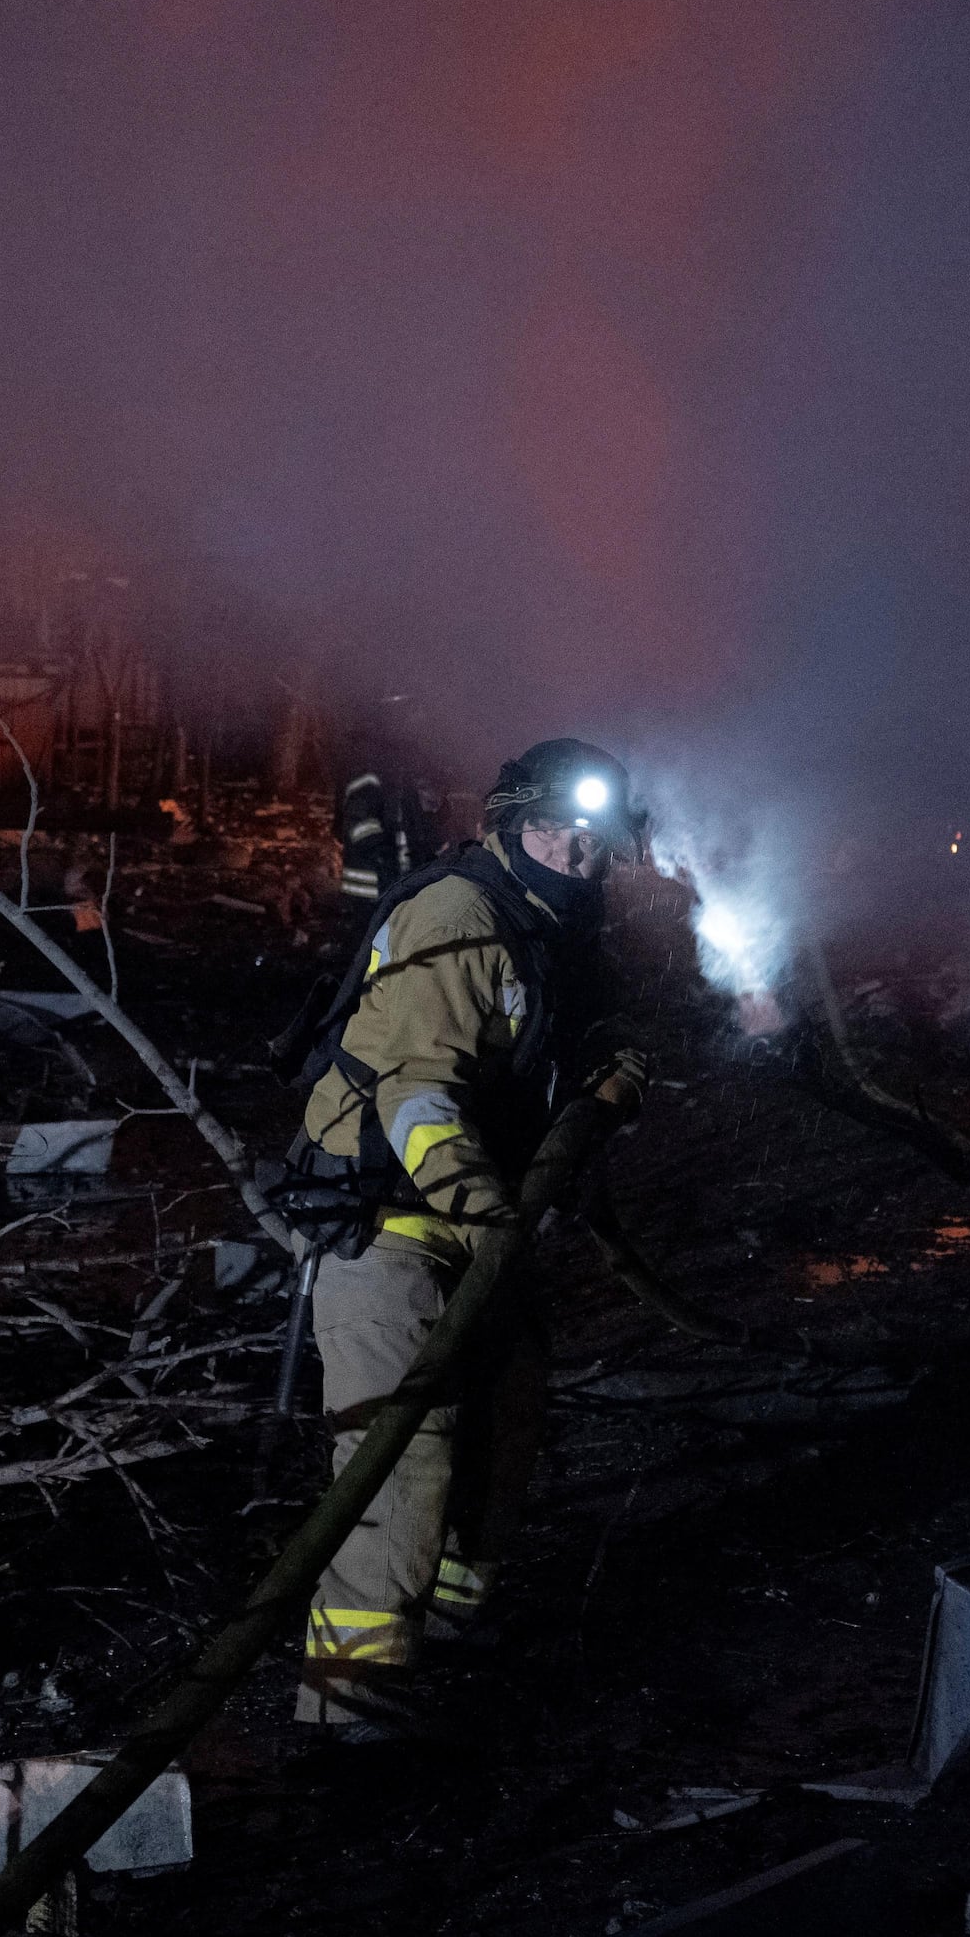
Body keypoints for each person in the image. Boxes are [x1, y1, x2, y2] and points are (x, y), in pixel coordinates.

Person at [289, 735, 629, 1732]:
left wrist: (620, 1064)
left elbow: (597, 1024)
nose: (580, 855)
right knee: (400, 1464)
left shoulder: (552, 923)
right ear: (509, 826)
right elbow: (414, 1095)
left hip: (478, 1226)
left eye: (591, 839)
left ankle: (444, 1639)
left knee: (508, 1417)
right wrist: (487, 1213)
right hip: (386, 1226)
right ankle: (345, 1705)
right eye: (558, 835)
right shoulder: (459, 914)